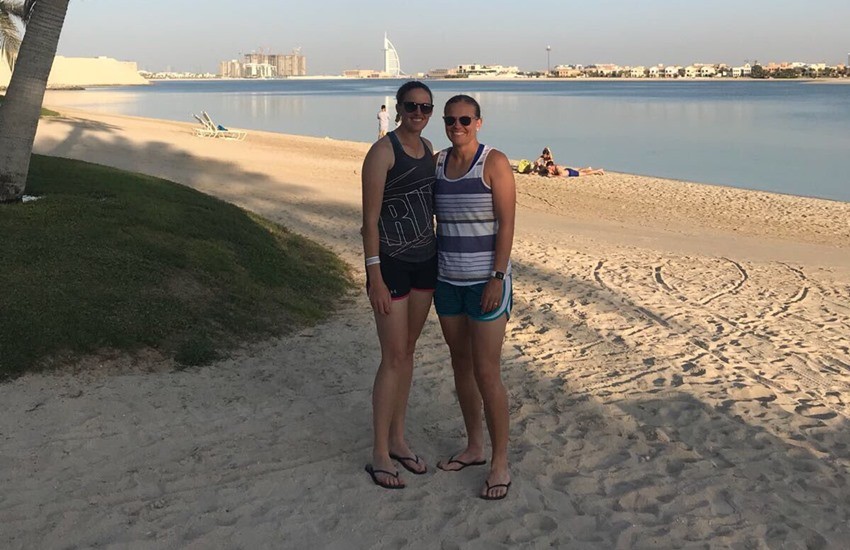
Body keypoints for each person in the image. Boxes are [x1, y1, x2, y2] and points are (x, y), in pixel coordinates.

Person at [433, 95, 516, 500]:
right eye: (450, 119)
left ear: (478, 122)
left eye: (465, 119)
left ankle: (500, 462)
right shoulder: (437, 164)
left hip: (486, 283)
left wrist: (497, 277)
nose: (457, 126)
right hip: (447, 281)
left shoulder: (494, 163)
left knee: (487, 372)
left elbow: (506, 225)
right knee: (460, 365)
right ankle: (474, 446)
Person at [361, 82, 437, 490]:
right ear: (399, 108)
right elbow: (369, 221)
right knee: (392, 357)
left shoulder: (429, 150)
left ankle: (398, 439)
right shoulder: (382, 152)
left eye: (425, 107)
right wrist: (373, 275)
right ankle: (379, 452)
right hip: (390, 264)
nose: (418, 113)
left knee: (407, 352)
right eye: (411, 106)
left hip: (426, 263)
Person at [533, 146, 604, 177]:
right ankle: (589, 169)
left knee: (585, 174)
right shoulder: (544, 159)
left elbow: (561, 176)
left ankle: (598, 170)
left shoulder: (552, 162)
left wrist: (552, 176)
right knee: (580, 171)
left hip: (569, 173)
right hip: (568, 171)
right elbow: (537, 161)